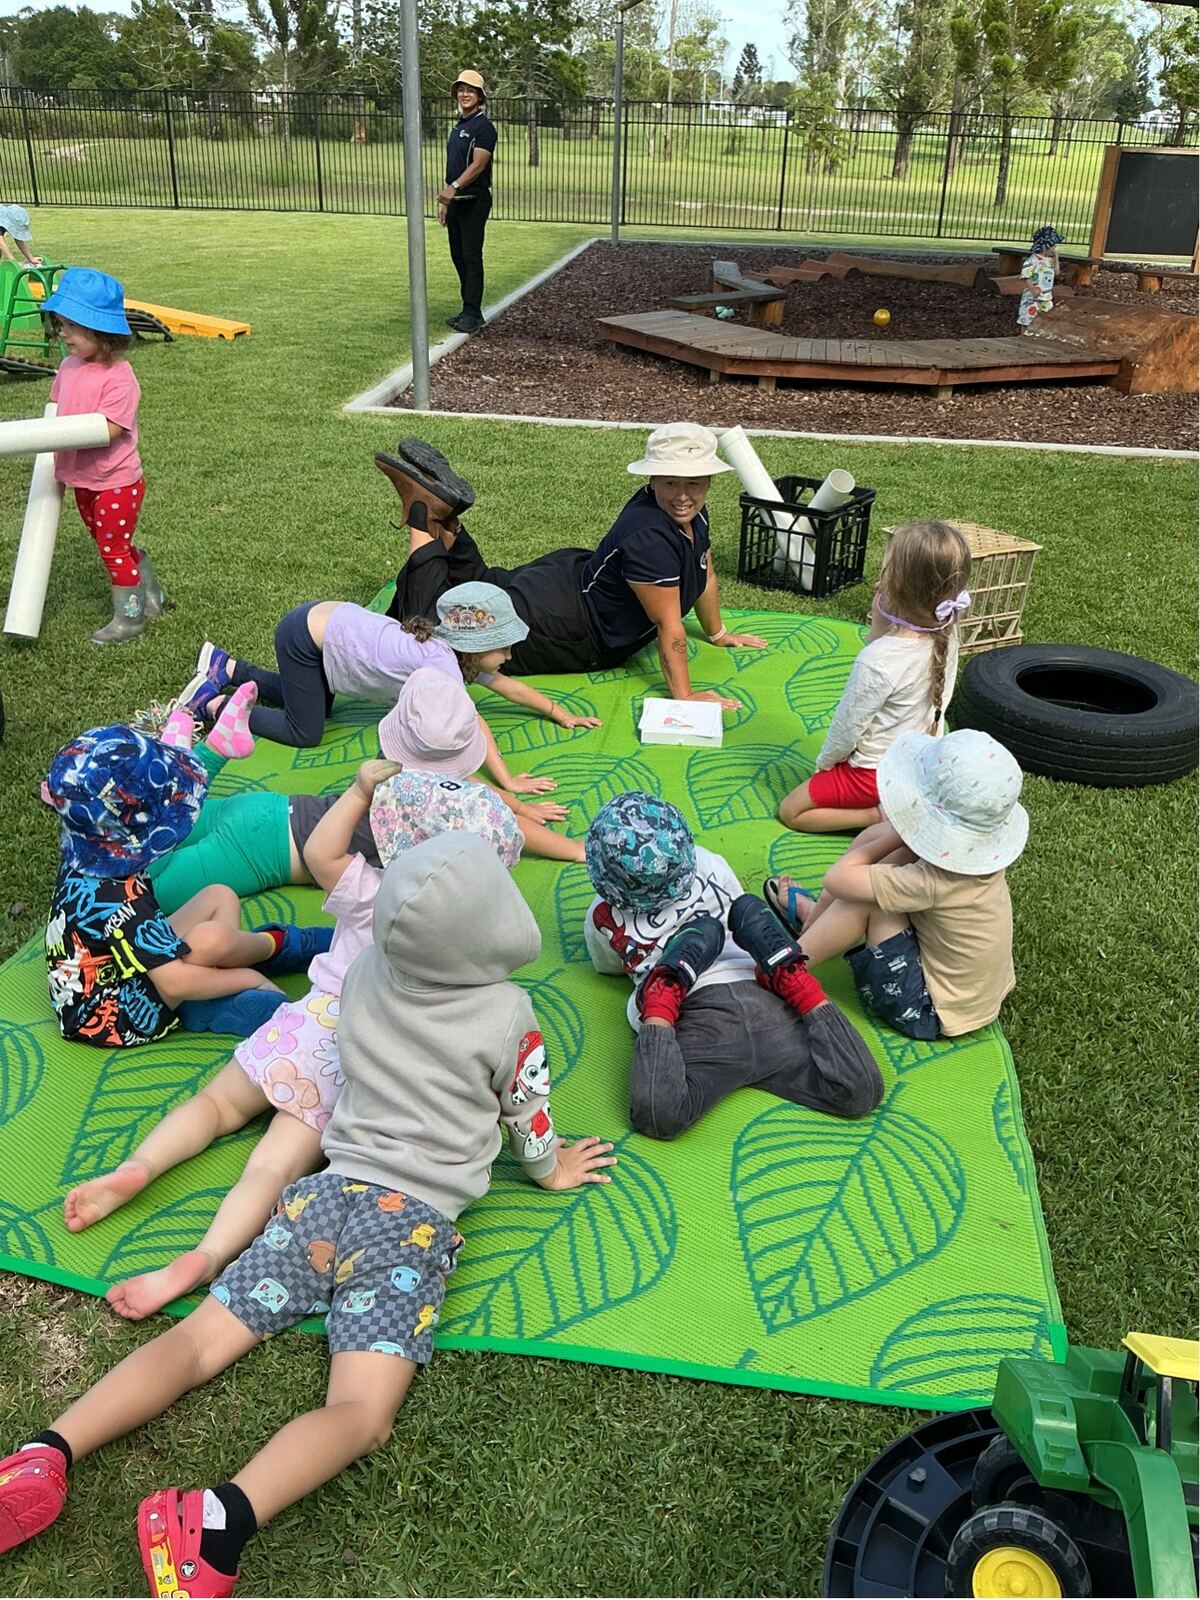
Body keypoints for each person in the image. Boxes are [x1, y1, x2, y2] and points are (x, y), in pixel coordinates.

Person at [0, 834, 617, 1595]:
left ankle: (45, 1452)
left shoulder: (361, 972)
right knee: (360, 1413)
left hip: (319, 1198)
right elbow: (524, 1115)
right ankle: (216, 1524)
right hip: (409, 1221)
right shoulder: (509, 1012)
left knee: (197, 1343)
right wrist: (551, 1170)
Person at [61, 746, 538, 1320]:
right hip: (350, 1055)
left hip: (302, 1024)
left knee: (211, 1106)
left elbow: (318, 850)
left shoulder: (370, 888)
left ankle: (137, 1168)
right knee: (270, 1167)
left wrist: (360, 791)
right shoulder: (467, 939)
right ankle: (208, 1255)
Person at [146, 669, 585, 919]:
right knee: (148, 895)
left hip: (270, 807)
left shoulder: (389, 771)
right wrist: (577, 850)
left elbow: (502, 810)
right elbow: (504, 822)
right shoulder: (447, 808)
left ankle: (196, 758)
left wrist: (525, 808)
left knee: (154, 833)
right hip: (260, 854)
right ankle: (195, 758)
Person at [381, 426, 769, 699]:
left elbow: (705, 571)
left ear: (707, 482)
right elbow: (668, 625)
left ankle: (446, 515)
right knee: (443, 634)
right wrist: (684, 698)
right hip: (567, 627)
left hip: (566, 581)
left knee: (482, 585)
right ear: (652, 479)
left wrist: (717, 633)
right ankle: (422, 512)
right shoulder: (653, 537)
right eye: (671, 482)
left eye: (693, 483)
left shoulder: (690, 515)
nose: (682, 494)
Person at [581, 792, 883, 1140]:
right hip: (766, 997)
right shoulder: (708, 862)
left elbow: (609, 967)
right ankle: (792, 975)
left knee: (658, 1117)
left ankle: (664, 988)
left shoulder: (600, 915)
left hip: (691, 1015)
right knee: (860, 1093)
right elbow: (736, 916)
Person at [42, 726, 331, 1050]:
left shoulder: (94, 855)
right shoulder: (120, 899)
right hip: (115, 1012)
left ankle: (230, 967)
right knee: (204, 950)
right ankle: (223, 986)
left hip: (121, 963)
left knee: (219, 896)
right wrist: (249, 979)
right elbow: (172, 980)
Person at [767, 729, 1028, 1042]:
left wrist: (896, 833)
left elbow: (838, 878)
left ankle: (781, 974)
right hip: (973, 996)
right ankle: (811, 925)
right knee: (878, 867)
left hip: (927, 1009)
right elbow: (862, 854)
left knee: (867, 899)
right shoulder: (974, 864)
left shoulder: (934, 881)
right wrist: (895, 835)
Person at [181, 581, 596, 777]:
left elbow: (507, 685)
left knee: (314, 700)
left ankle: (228, 669)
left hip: (323, 623)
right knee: (305, 729)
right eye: (503, 647)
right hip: (307, 636)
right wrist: (507, 781)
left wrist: (559, 713)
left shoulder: (450, 648)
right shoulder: (444, 670)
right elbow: (476, 724)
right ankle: (213, 704)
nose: (508, 656)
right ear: (475, 646)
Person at [778, 520, 972, 835]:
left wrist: (825, 766)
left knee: (792, 810)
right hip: (921, 764)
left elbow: (846, 731)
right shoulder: (948, 634)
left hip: (876, 775)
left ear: (894, 586)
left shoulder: (878, 661)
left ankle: (879, 816)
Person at [41, 267, 165, 645]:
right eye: (59, 324)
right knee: (113, 544)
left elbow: (110, 428)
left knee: (112, 549)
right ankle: (151, 596)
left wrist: (65, 435)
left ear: (100, 332)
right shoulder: (67, 366)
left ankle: (130, 620)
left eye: (71, 326)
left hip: (116, 482)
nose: (62, 333)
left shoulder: (120, 376)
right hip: (81, 479)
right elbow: (55, 406)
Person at [437, 70, 497, 335]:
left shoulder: (483, 127)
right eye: (461, 90)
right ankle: (467, 308)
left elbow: (479, 163)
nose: (464, 94)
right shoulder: (459, 126)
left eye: (470, 90)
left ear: (480, 96)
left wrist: (454, 187)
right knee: (458, 256)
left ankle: (473, 313)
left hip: (475, 199)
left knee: (472, 256)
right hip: (458, 201)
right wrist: (447, 202)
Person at [1018, 226, 1064, 332]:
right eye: (1053, 246)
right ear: (1046, 246)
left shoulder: (1049, 260)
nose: (1055, 248)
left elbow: (1056, 272)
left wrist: (1056, 259)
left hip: (1046, 298)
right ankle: (1023, 336)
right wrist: (1033, 289)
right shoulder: (1032, 260)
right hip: (1032, 298)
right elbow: (1025, 275)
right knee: (1027, 318)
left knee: (1046, 319)